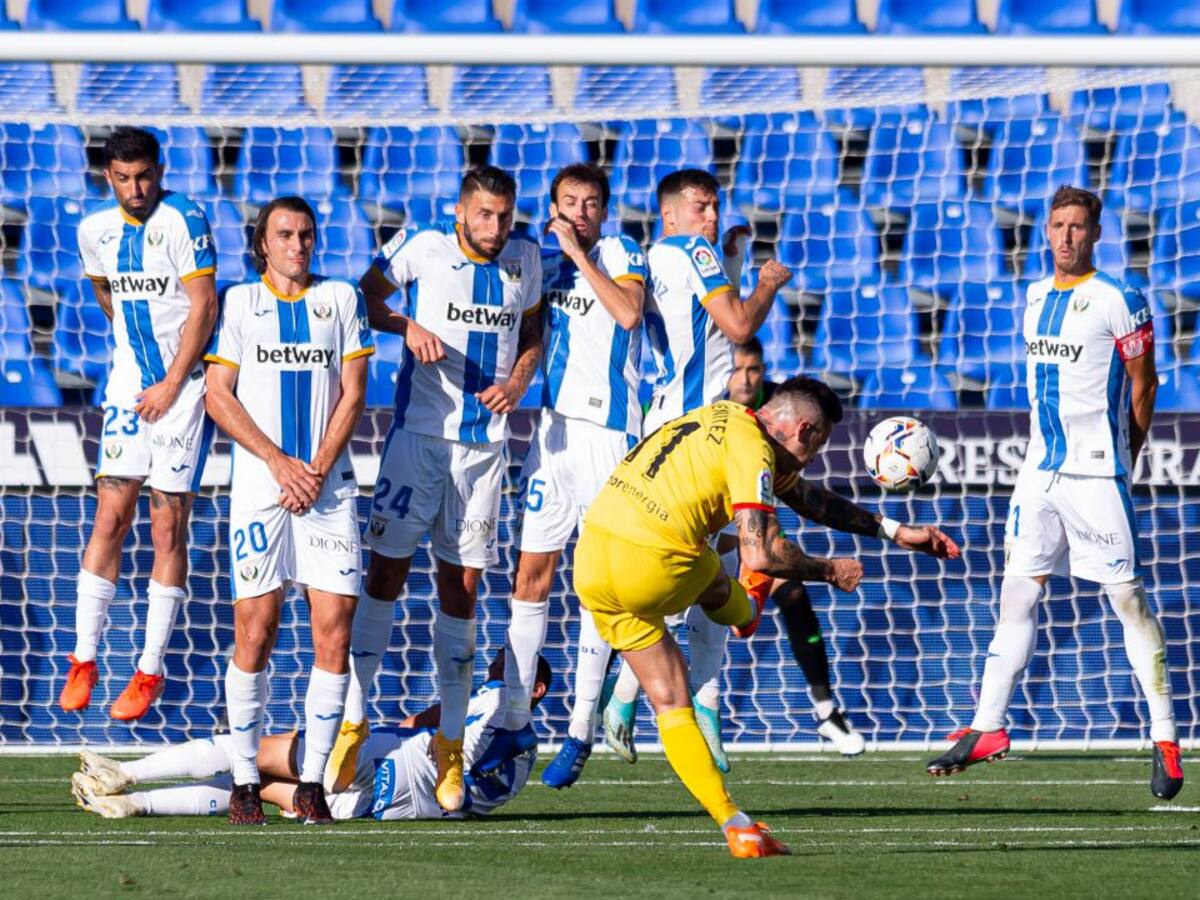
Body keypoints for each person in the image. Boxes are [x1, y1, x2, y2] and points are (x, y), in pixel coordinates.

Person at [572, 378, 961, 856]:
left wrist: (895, 531)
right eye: (819, 444)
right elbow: (760, 554)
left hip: (593, 558)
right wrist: (829, 570)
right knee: (724, 580)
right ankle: (748, 608)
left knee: (671, 695)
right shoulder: (751, 449)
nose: (814, 458)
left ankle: (736, 825)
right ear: (804, 430)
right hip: (656, 560)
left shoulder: (718, 418)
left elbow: (809, 498)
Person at [925, 185, 1184, 799]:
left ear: (1096, 233)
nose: (1066, 236)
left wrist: (1126, 456)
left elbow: (1145, 384)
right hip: (1038, 472)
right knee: (1016, 596)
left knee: (1127, 601)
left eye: (1078, 226)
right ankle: (988, 725)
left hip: (1097, 473)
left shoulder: (1120, 299)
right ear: (1045, 231)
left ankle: (1166, 737)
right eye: (1058, 225)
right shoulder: (1035, 295)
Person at [333, 166, 543, 814]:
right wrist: (405, 326)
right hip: (417, 439)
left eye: (504, 216)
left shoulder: (526, 257)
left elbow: (533, 335)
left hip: (484, 452)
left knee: (463, 588)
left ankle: (451, 745)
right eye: (484, 215)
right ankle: (352, 722)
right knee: (386, 576)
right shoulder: (422, 245)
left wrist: (518, 383)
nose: (496, 228)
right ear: (460, 211)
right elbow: (363, 299)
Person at [603, 169, 792, 773]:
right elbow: (739, 327)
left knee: (716, 565)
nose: (710, 217)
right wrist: (765, 285)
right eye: (700, 207)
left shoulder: (659, 258)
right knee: (699, 571)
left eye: (714, 207)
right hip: (699, 435)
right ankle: (636, 695)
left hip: (669, 425)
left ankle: (685, 703)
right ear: (670, 215)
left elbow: (702, 325)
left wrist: (731, 260)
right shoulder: (690, 249)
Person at [203, 196, 373, 825]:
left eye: (305, 234)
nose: (297, 245)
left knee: (335, 629)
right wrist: (279, 463)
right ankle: (246, 780)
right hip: (261, 487)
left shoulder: (342, 299)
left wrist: (316, 468)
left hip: (328, 487)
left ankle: (313, 783)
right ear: (262, 244)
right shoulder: (240, 303)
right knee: (256, 629)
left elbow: (354, 394)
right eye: (284, 235)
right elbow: (217, 395)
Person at [489, 165, 647, 786]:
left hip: (609, 435)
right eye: (569, 203)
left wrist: (580, 255)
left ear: (603, 211)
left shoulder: (619, 252)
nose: (579, 213)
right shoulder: (539, 261)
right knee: (530, 574)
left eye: (590, 203)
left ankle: (581, 729)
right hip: (552, 435)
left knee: (595, 583)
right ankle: (514, 718)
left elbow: (629, 315)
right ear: (552, 207)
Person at [59, 126, 218, 721]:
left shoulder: (184, 218)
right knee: (110, 516)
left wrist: (171, 383)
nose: (136, 188)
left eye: (145, 176)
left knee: (166, 525)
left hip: (182, 391)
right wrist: (137, 362)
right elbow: (107, 293)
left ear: (160, 171)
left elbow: (204, 304)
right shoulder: (93, 230)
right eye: (124, 178)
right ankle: (84, 658)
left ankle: (149, 667)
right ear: (108, 177)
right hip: (128, 388)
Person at [72, 652, 551, 822]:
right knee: (254, 789)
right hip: (386, 806)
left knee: (244, 753)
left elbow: (416, 727)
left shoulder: (499, 699)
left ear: (535, 688)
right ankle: (136, 806)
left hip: (386, 759)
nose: (496, 670)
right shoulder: (524, 760)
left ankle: (123, 775)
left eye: (505, 666)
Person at [725, 338, 864, 756]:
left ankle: (826, 711)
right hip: (710, 521)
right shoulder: (710, 404)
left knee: (793, 594)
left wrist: (889, 529)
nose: (746, 380)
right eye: (737, 370)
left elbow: (797, 493)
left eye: (754, 369)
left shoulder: (777, 411)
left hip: (750, 523)